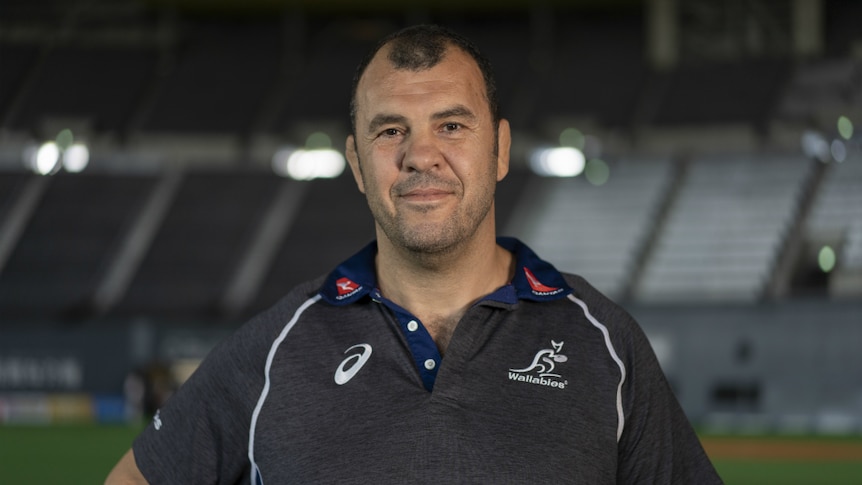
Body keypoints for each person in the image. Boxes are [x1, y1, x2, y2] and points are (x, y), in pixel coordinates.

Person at [106, 24, 722, 484]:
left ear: (500, 150)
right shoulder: (275, 349)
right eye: (390, 130)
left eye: (451, 126)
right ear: (357, 165)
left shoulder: (605, 344)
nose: (419, 155)